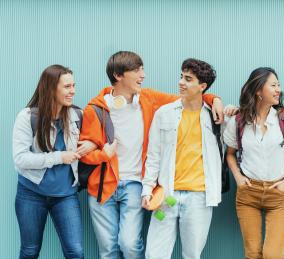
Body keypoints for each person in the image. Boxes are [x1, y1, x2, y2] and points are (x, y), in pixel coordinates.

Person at [79, 51, 223, 259]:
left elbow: (189, 98)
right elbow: (84, 155)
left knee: (129, 245)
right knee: (108, 249)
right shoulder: (96, 109)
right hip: (103, 186)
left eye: (142, 69)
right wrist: (104, 154)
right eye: (137, 70)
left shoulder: (148, 99)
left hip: (135, 184)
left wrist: (214, 98)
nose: (143, 75)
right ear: (119, 75)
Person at [142, 58, 223, 259]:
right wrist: (147, 189)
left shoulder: (216, 117)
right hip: (165, 196)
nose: (181, 82)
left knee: (192, 255)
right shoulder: (164, 113)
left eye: (188, 79)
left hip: (200, 197)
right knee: (155, 254)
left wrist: (225, 106)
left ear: (202, 86)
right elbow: (153, 155)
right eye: (181, 77)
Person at [12, 64, 95, 259]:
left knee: (75, 252)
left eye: (73, 85)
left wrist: (91, 144)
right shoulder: (27, 117)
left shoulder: (78, 115)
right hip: (31, 193)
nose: (73, 91)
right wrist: (59, 157)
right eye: (67, 87)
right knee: (30, 251)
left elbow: (97, 140)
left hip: (66, 194)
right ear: (51, 88)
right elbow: (20, 159)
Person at [224, 67, 284, 259]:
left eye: (279, 85)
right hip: (248, 194)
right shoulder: (239, 120)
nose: (278, 89)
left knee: (272, 255)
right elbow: (230, 154)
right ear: (258, 90)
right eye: (273, 85)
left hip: (278, 195)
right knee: (252, 254)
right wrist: (239, 179)